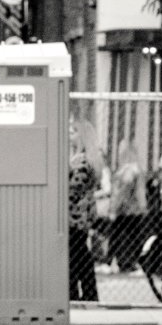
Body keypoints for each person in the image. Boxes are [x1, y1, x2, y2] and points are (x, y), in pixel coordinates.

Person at [68, 119, 100, 301]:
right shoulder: (86, 159)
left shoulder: (81, 163)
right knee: (80, 255)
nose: (68, 133)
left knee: (75, 256)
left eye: (73, 131)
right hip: (80, 217)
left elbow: (72, 189)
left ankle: (79, 294)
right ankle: (88, 294)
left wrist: (67, 169)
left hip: (74, 217)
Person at [108, 139, 148, 272]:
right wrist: (143, 207)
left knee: (118, 236)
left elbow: (121, 192)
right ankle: (130, 263)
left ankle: (117, 262)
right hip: (133, 210)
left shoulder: (126, 170)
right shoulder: (137, 169)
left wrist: (113, 209)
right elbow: (140, 192)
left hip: (124, 210)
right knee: (133, 237)